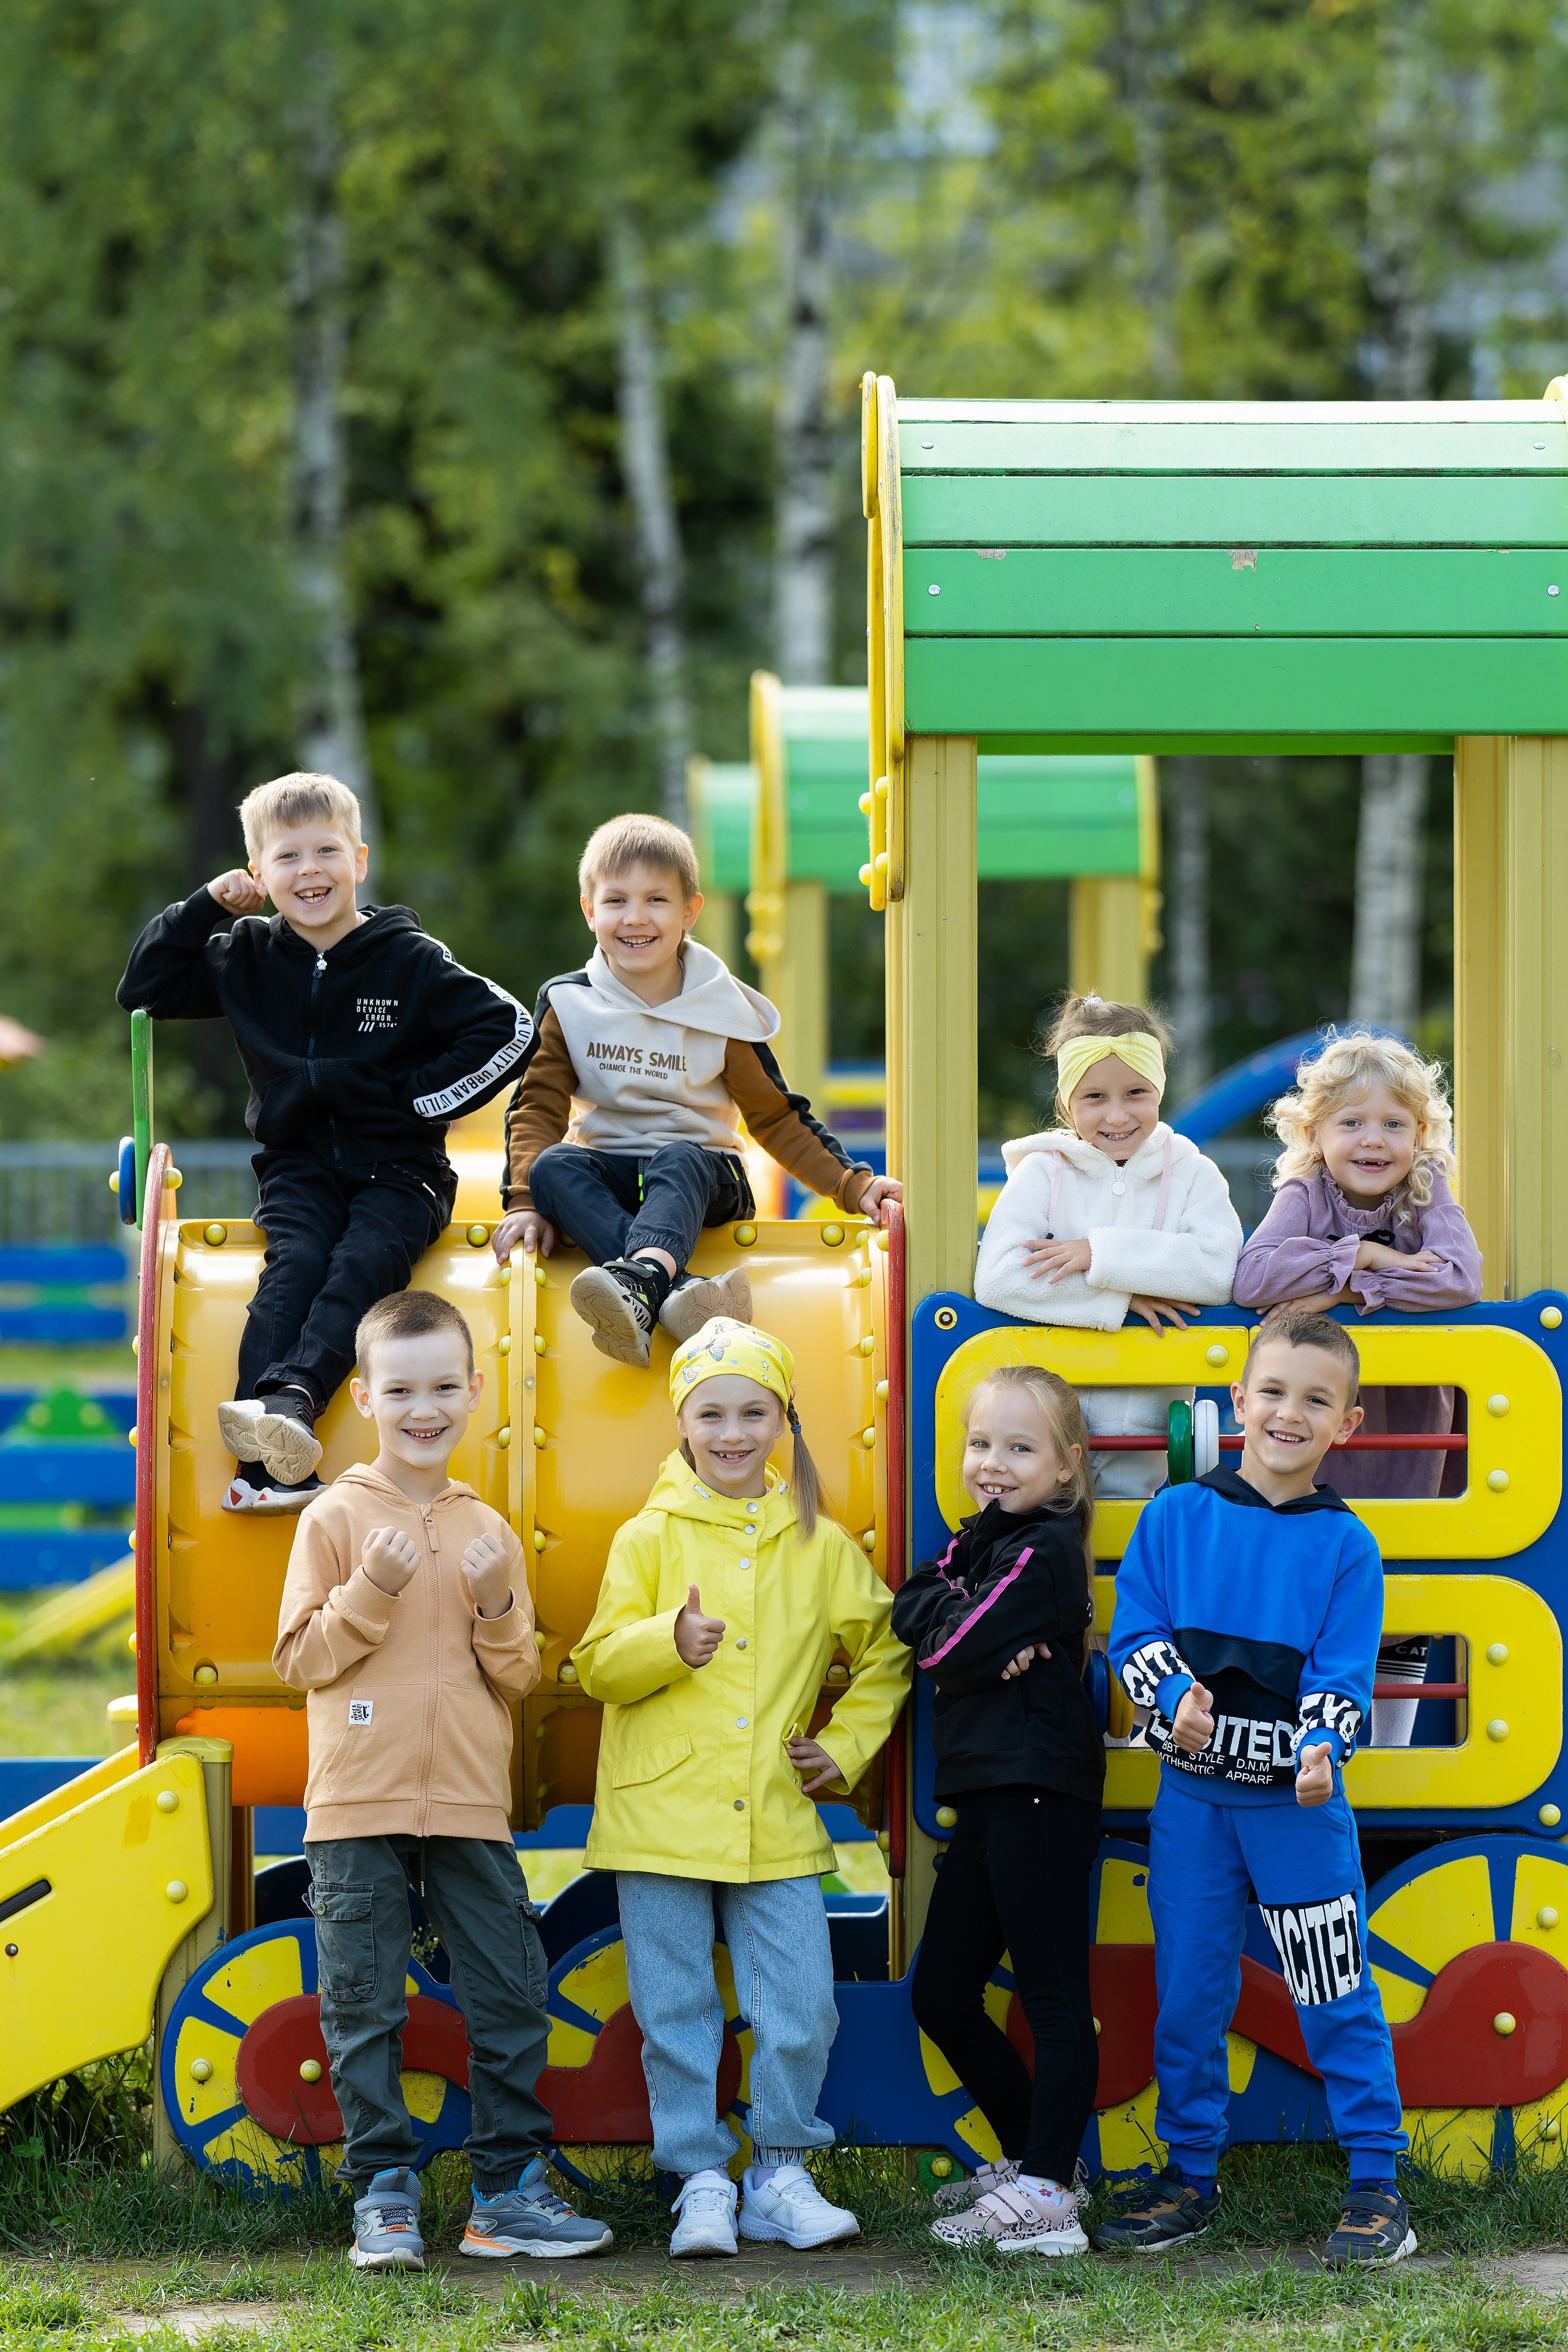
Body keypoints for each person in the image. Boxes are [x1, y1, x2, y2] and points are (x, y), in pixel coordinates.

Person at [273, 1287, 610, 2271]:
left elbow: (518, 1674)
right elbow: (300, 1659)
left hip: (467, 1800)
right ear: (366, 1400)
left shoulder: (487, 1528)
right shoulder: (335, 1515)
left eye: (445, 1388)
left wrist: (501, 1602)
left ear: (474, 1396)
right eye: (402, 1389)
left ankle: (506, 2193)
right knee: (365, 1999)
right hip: (357, 1802)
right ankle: (382, 2193)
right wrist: (371, 1591)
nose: (426, 1408)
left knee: (509, 1988)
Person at [570, 1316, 911, 2259]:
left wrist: (844, 1748)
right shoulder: (648, 1536)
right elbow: (595, 1663)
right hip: (658, 1816)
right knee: (675, 2013)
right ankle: (700, 2180)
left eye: (752, 1412)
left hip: (773, 1809)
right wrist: (664, 1646)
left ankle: (781, 2172)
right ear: (682, 1423)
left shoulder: (819, 1544)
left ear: (781, 1421)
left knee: (803, 2004)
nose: (730, 1433)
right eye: (710, 1414)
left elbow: (885, 1652)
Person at [118, 772, 531, 1513]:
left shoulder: (409, 958)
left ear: (360, 860)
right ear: (258, 875)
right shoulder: (243, 955)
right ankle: (259, 1465)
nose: (310, 871)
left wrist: (415, 1101)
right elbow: (143, 987)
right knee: (296, 1261)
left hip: (403, 1170)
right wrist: (206, 907)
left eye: (326, 851)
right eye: (287, 858)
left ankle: (292, 1404)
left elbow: (507, 1029)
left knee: (362, 1262)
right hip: (298, 1163)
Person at [1099, 1308, 1412, 2267]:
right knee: (1189, 1994)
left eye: (1315, 1400)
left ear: (1346, 1424)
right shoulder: (1176, 1517)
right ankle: (1191, 2177)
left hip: (1298, 1823)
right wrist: (1168, 1694)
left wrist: (1324, 1749)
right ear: (1237, 1402)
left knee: (1333, 1988)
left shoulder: (1347, 1548)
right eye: (1272, 1391)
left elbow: (1343, 1677)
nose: (1288, 1413)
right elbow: (1133, 1634)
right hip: (1191, 1810)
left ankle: (1377, 2184)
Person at [492, 814, 901, 1368]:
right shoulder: (570, 1002)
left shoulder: (721, 1007)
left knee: (678, 1156)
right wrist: (524, 1204)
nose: (635, 918)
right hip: (611, 1174)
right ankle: (676, 1290)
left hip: (705, 1177)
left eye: (656, 900)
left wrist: (854, 1186)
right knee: (553, 1167)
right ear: (589, 911)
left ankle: (642, 1282)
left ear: (690, 911)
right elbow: (538, 1105)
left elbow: (777, 1116)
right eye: (615, 901)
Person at [892, 1365, 1105, 2255]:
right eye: (982, 1444)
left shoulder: (1046, 1547)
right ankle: (1032, 2161)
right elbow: (911, 1606)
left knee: (1053, 1998)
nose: (994, 1463)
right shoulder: (976, 1539)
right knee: (941, 1994)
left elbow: (951, 1646)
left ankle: (1051, 2196)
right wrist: (970, 1630)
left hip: (1041, 1792)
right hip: (988, 1794)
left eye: (1020, 1448)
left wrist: (970, 1635)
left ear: (1066, 1469)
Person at [1234, 1031, 1482, 1744]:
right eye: (1351, 1123)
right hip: (1321, 1427)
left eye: (1393, 1125)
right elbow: (1254, 1280)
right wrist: (1363, 1266)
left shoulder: (1424, 1191)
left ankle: (1393, 1751)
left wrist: (1342, 1283)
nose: (1373, 1141)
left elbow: (1459, 1278)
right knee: (1317, 1571)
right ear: (1313, 1133)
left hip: (1409, 1425)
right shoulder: (1304, 1190)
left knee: (1400, 1568)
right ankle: (1306, 1747)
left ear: (1420, 1134)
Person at [974, 994, 1243, 1499]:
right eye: (1094, 1097)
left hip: (1155, 1435)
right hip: (1047, 1430)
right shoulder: (1042, 1172)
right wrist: (1120, 1298)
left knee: (1134, 1546)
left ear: (1159, 1091)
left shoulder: (1190, 1173)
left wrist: (1100, 1255)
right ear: (1067, 1103)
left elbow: (1219, 1269)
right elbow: (998, 1278)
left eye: (1136, 1092)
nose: (1117, 1115)